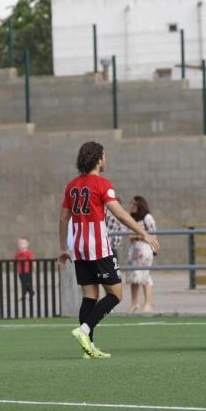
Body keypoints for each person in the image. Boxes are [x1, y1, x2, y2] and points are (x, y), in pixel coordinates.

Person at [59, 142, 159, 358]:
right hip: (98, 248)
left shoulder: (72, 186)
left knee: (90, 296)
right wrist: (144, 233)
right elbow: (120, 214)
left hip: (79, 248)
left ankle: (89, 348)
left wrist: (63, 248)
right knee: (116, 294)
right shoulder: (102, 184)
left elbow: (63, 218)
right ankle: (84, 330)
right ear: (98, 159)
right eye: (104, 156)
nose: (106, 159)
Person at [125, 196, 157, 313]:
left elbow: (152, 233)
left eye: (134, 204)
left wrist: (137, 236)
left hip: (144, 248)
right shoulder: (132, 218)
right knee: (133, 276)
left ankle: (148, 303)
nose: (132, 206)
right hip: (133, 248)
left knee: (144, 275)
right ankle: (134, 303)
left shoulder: (147, 217)